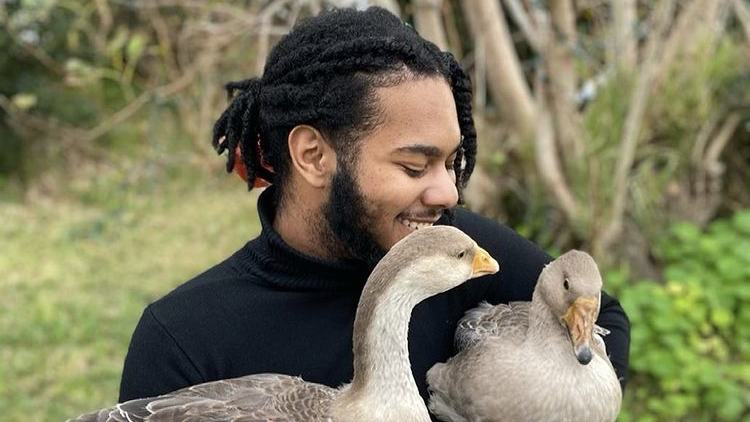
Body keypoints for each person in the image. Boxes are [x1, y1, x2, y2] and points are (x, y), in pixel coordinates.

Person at [119, 6, 630, 408]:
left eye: (452, 162)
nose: (448, 193)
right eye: (414, 166)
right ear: (313, 156)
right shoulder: (187, 340)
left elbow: (599, 314)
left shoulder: (460, 252)